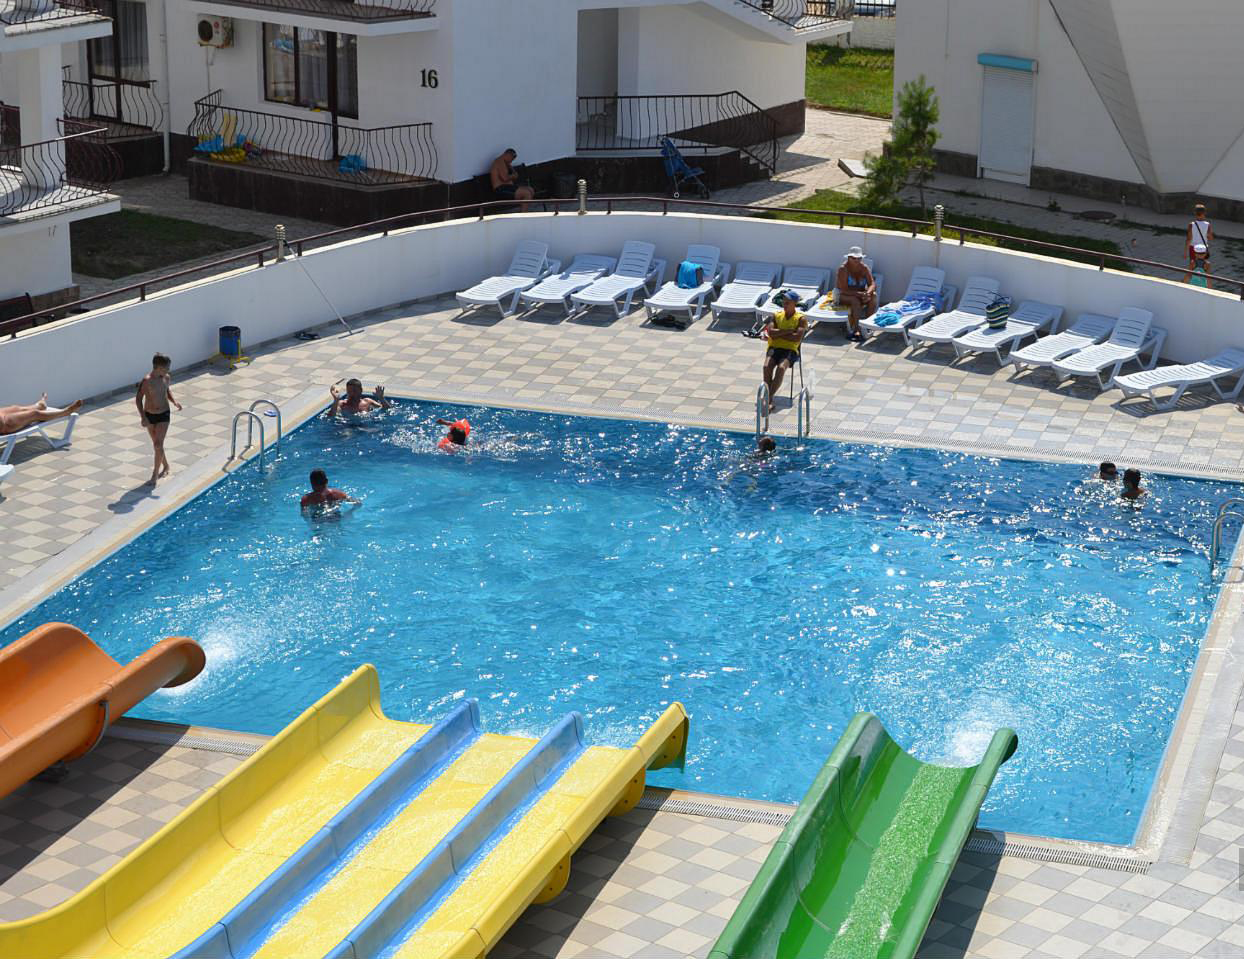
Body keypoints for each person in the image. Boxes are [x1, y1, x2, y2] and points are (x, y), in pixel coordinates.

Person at [135, 353, 182, 486]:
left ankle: (155, 474)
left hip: (164, 414)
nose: (168, 370)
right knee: (157, 445)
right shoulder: (147, 381)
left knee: (157, 445)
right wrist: (143, 417)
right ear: (159, 367)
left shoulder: (166, 377)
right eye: (167, 368)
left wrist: (174, 402)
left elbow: (167, 391)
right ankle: (166, 466)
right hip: (149, 415)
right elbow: (138, 399)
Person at [761, 290, 808, 412]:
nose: (784, 304)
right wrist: (788, 331)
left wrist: (779, 333)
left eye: (788, 302)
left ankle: (768, 398)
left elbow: (797, 338)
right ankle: (768, 397)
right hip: (774, 347)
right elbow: (771, 333)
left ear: (794, 304)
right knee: (766, 366)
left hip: (790, 350)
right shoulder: (776, 316)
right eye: (784, 302)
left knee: (781, 368)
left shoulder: (801, 319)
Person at [834, 246, 876, 341]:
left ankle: (868, 325)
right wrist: (861, 294)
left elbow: (872, 283)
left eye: (859, 258)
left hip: (859, 294)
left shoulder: (864, 268)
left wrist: (868, 293)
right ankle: (856, 329)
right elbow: (844, 289)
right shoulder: (843, 269)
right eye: (854, 258)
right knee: (855, 300)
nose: (856, 260)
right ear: (848, 258)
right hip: (842, 295)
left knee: (874, 296)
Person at [0, 393, 82, 436]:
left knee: (16, 408)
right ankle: (65, 412)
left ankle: (40, 406)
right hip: (5, 424)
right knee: (34, 414)